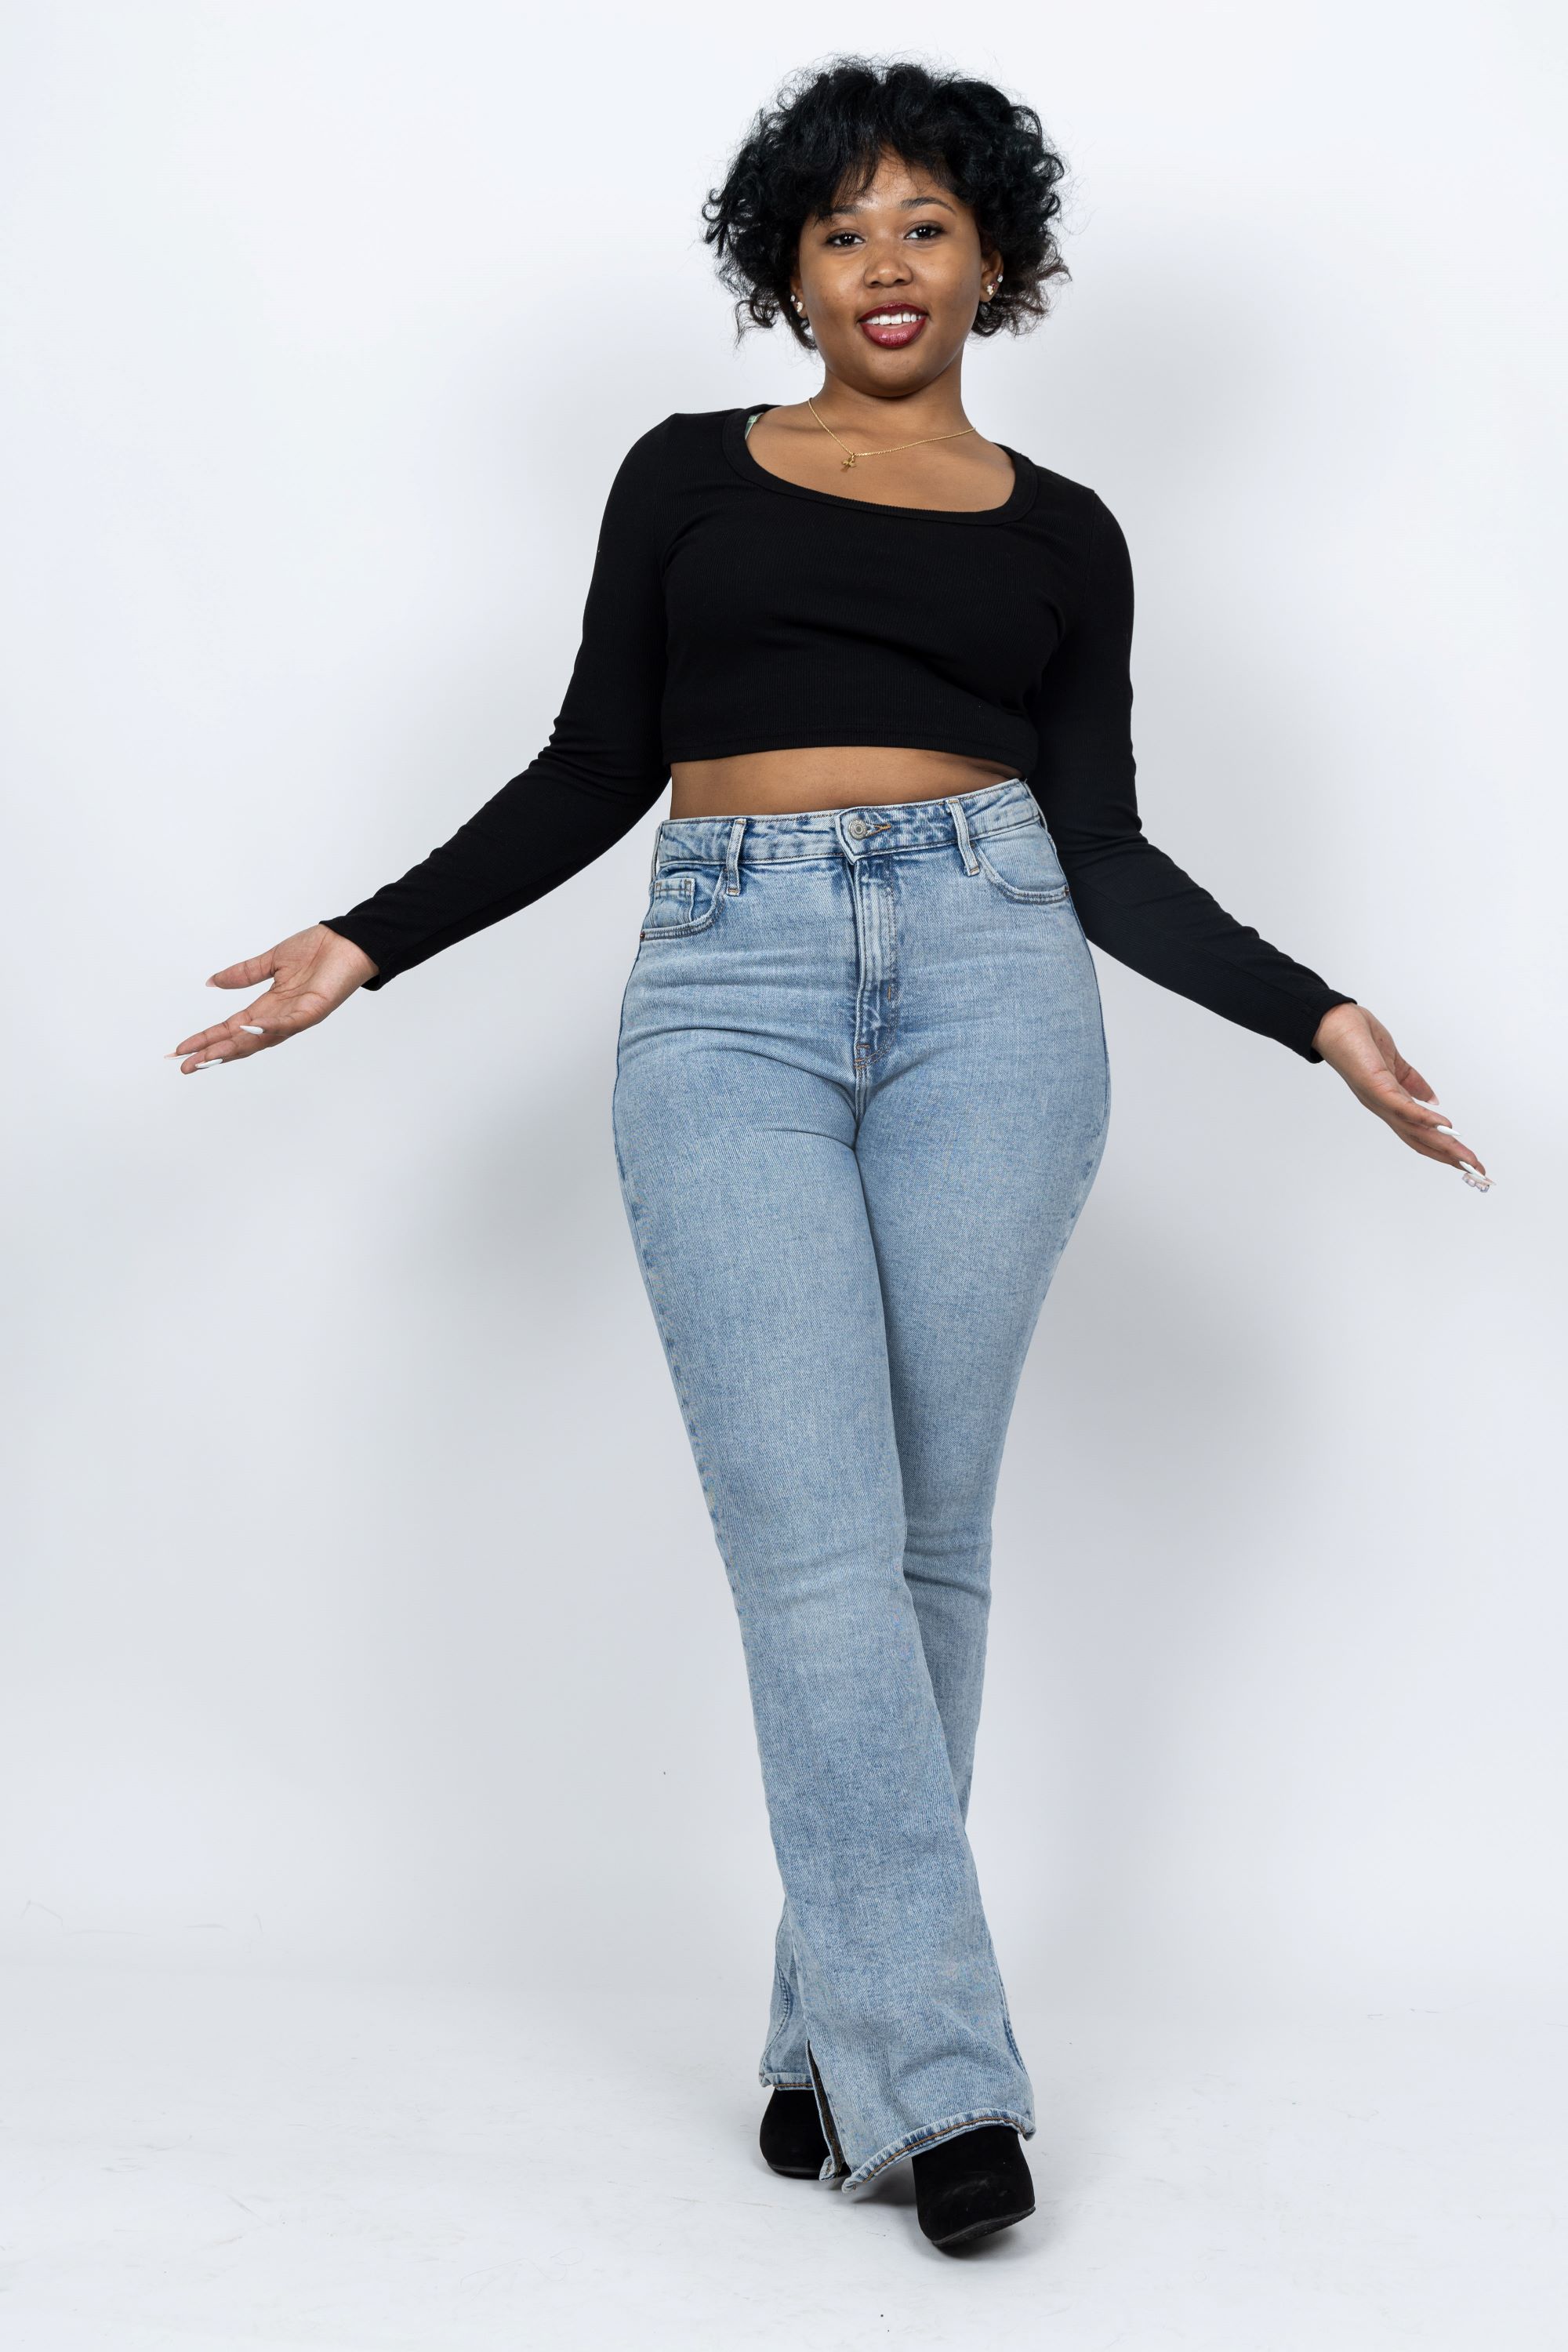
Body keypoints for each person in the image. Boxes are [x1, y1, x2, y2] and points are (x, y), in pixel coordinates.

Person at [167, 58, 1489, 2252]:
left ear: (995, 263)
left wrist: (1316, 1013)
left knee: (926, 1549)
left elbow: (1104, 847)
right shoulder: (686, 474)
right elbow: (592, 762)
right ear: (785, 268)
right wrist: (367, 943)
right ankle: (946, 2084)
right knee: (813, 1548)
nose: (887, 262)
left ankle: (830, 2045)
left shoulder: (1068, 533)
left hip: (999, 976)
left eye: (927, 226)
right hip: (728, 985)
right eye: (843, 227)